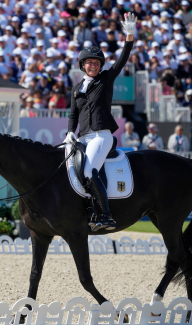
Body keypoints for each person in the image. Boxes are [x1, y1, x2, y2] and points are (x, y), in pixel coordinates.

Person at [65, 12, 137, 231]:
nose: (93, 66)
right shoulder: (77, 88)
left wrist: (130, 36)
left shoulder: (106, 79)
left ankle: (105, 215)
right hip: (83, 137)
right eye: (89, 63)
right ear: (83, 65)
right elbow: (73, 115)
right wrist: (70, 131)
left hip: (101, 136)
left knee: (88, 171)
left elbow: (122, 59)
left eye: (96, 63)